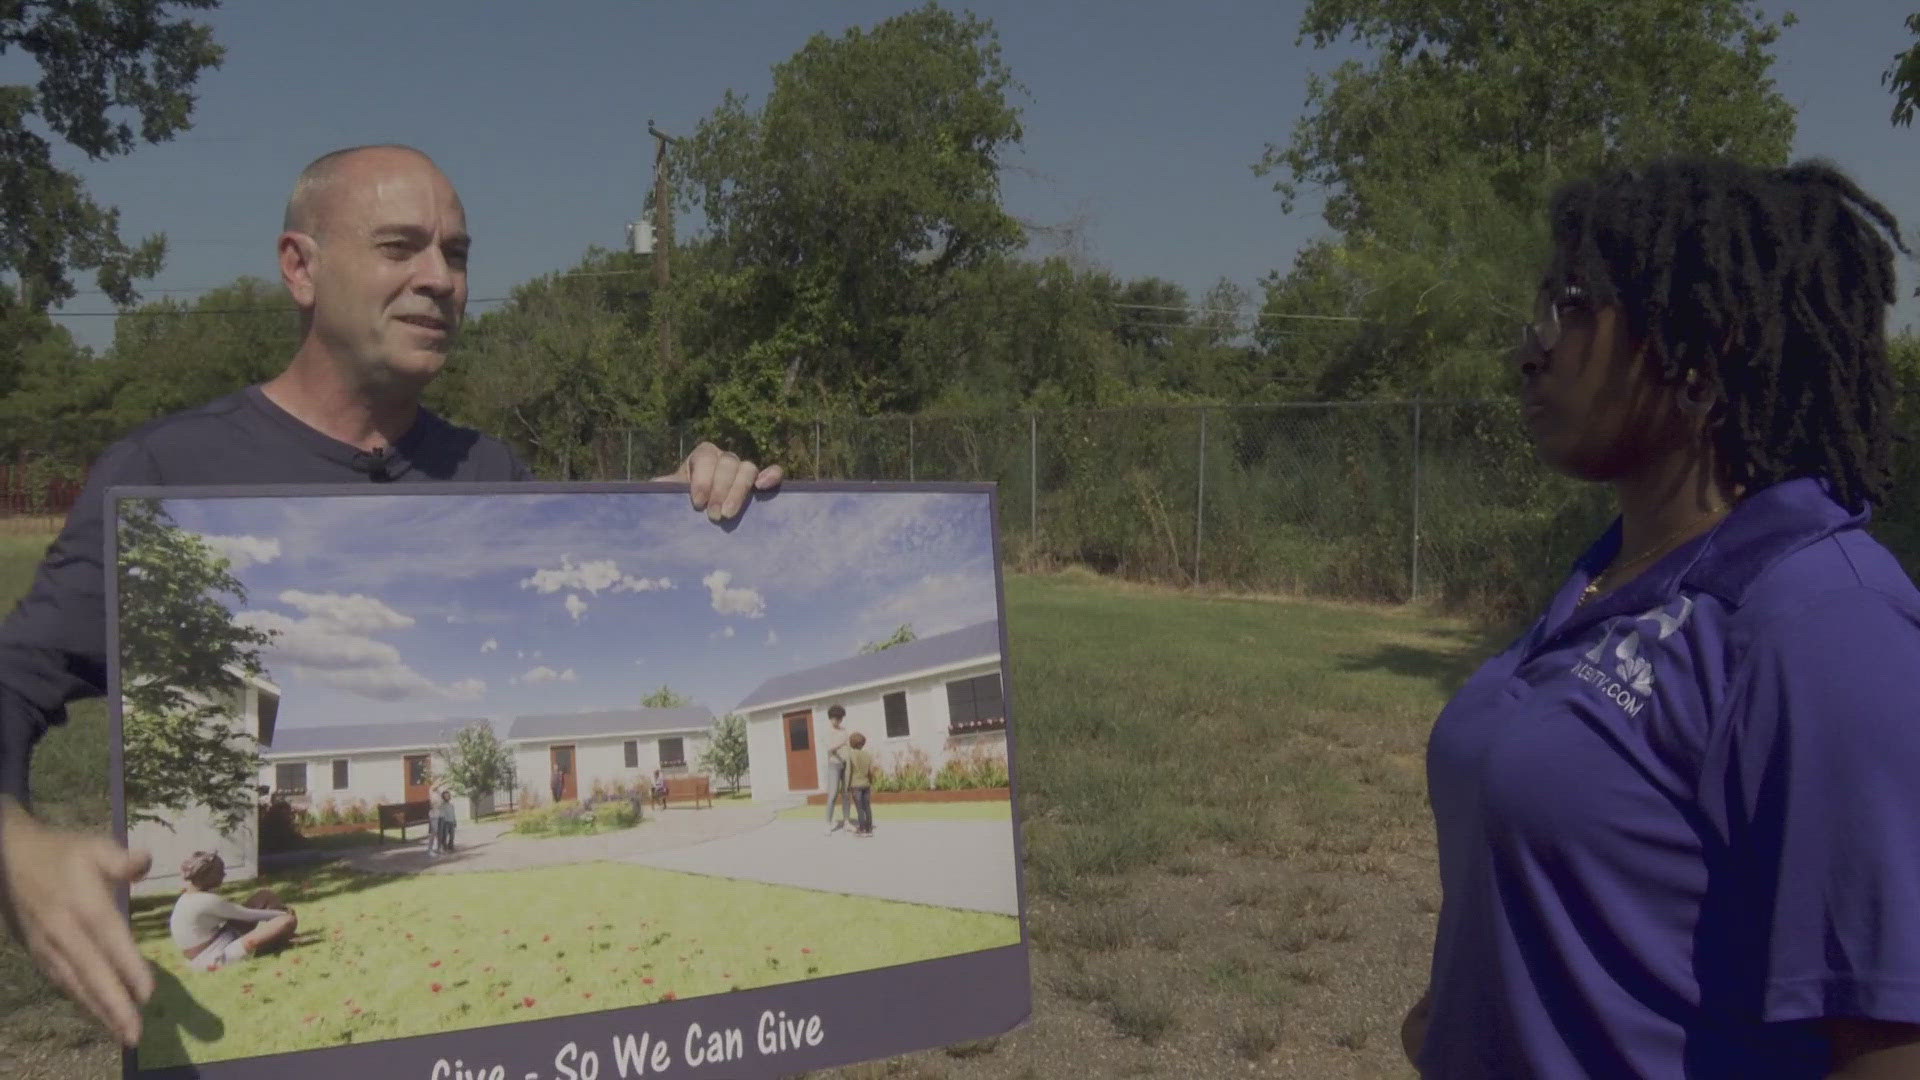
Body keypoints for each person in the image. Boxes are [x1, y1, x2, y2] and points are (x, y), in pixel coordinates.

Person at [0, 144, 782, 1049]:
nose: (439, 279)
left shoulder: (490, 473)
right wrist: (16, 845)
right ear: (301, 266)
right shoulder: (168, 475)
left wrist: (689, 510)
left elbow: (588, 577)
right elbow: (14, 680)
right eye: (400, 247)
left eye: (456, 254)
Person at [1404, 158, 1920, 1078]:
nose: (1532, 347)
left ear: (1700, 342)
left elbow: (1886, 1046)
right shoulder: (1604, 577)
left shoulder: (1824, 622)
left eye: (1572, 305)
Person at [167, 852, 296, 973]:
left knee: (264, 896)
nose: (224, 875)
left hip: (220, 939)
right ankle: (278, 940)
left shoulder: (190, 896)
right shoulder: (206, 900)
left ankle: (279, 936)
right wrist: (283, 915)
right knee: (286, 921)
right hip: (212, 957)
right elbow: (248, 916)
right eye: (220, 872)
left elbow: (241, 914)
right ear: (208, 875)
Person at [822, 704, 853, 833]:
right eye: (835, 718)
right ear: (831, 718)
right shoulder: (828, 731)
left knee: (846, 794)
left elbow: (848, 746)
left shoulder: (844, 730)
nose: (837, 721)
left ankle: (846, 822)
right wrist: (843, 743)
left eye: (839, 718)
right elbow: (829, 748)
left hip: (846, 764)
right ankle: (828, 824)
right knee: (833, 794)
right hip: (834, 765)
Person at [843, 732, 876, 838]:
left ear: (852, 743)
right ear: (863, 743)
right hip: (866, 784)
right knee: (867, 806)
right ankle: (869, 828)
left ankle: (862, 829)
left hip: (855, 785)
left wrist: (846, 785)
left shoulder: (850, 755)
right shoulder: (868, 755)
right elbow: (871, 771)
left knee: (859, 808)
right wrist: (871, 782)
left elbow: (848, 771)